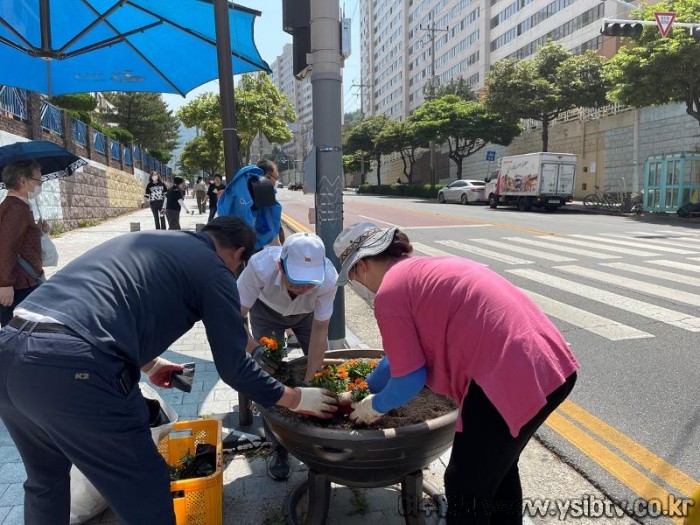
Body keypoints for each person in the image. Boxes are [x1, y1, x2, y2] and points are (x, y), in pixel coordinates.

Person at [0, 216, 338, 525]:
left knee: (46, 481)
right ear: (237, 254)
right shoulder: (214, 269)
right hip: (75, 369)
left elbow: (105, 306)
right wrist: (295, 398)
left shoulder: (157, 241)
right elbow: (234, 368)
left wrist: (149, 363)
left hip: (12, 347)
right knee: (145, 491)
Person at [333, 222, 579, 525]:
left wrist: (374, 407)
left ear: (362, 265)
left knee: (464, 485)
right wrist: (359, 391)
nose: (359, 283)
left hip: (508, 373)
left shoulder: (390, 293)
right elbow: (396, 363)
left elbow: (410, 379)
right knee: (498, 467)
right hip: (551, 364)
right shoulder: (423, 269)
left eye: (354, 275)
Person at [238, 232, 338, 480]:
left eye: (310, 283)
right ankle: (278, 446)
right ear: (280, 266)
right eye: (296, 281)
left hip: (306, 317)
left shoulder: (328, 279)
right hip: (266, 311)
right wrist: (254, 348)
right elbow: (233, 317)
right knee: (268, 372)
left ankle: (318, 431)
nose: (304, 288)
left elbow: (320, 331)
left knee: (319, 373)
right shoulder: (259, 266)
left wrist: (310, 384)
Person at [0, 160, 47, 327]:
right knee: (18, 336)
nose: (40, 185)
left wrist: (37, 229)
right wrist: (5, 284)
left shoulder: (17, 206)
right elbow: (7, 246)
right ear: (23, 181)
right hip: (20, 285)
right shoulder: (16, 209)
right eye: (38, 181)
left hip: (22, 283)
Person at [257, 159, 284, 245]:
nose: (277, 181)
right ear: (267, 177)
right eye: (276, 177)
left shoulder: (249, 196)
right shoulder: (266, 201)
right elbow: (274, 239)